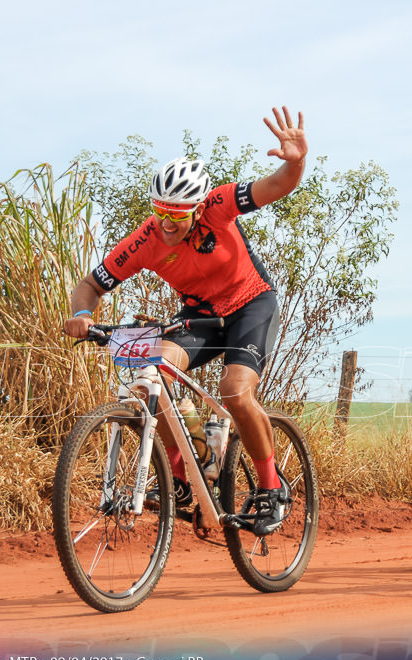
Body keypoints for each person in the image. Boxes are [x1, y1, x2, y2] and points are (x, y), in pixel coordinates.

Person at [63, 107, 307, 536]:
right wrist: (83, 315)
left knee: (234, 392)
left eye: (177, 216)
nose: (167, 225)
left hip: (251, 304)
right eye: (160, 213)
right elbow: (90, 285)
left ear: (196, 209)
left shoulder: (218, 204)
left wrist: (295, 160)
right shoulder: (146, 238)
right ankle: (185, 472)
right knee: (148, 374)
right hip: (200, 315)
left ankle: (272, 487)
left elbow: (279, 185)